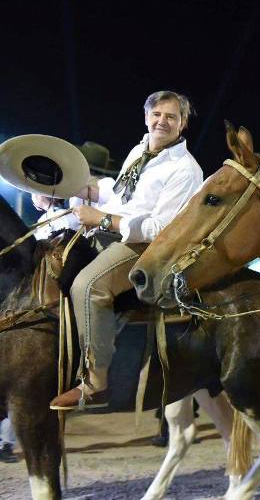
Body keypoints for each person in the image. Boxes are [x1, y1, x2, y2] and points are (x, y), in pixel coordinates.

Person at [47, 90, 203, 410]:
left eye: (171, 116)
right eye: (157, 114)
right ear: (147, 117)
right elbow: (122, 197)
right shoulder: (139, 150)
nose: (162, 121)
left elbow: (161, 229)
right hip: (115, 233)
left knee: (88, 286)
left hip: (146, 248)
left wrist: (102, 220)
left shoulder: (186, 170)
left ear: (183, 123)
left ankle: (96, 381)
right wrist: (89, 193)